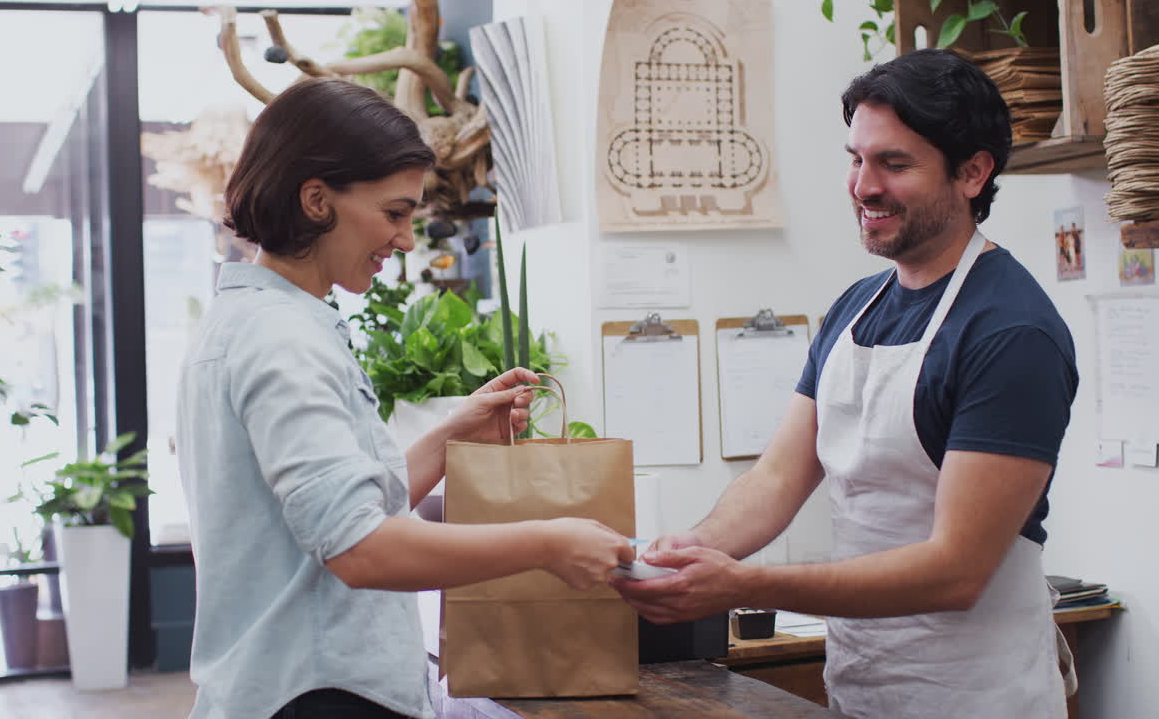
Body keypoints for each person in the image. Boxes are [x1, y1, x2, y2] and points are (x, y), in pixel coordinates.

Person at [612, 49, 1078, 718]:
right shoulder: (857, 308)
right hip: (862, 689)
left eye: (894, 163)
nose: (862, 186)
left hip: (978, 698)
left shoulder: (1010, 332)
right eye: (856, 159)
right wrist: (690, 551)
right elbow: (775, 482)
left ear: (973, 172)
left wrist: (742, 583)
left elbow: (957, 570)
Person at [175, 78, 633, 719]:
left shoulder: (263, 322)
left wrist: (452, 438)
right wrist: (548, 544)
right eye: (394, 213)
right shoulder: (281, 339)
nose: (407, 239)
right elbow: (360, 549)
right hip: (316, 695)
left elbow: (338, 515)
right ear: (315, 200)